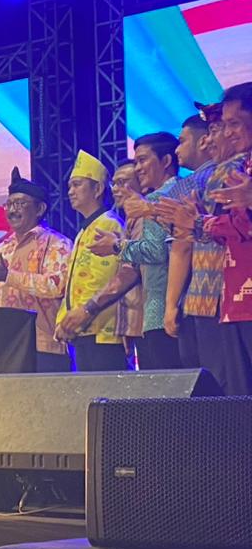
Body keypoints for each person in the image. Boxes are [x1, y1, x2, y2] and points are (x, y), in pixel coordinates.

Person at [159, 82, 252, 395]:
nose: (225, 134)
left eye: (232, 124)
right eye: (221, 126)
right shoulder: (243, 166)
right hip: (234, 297)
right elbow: (235, 227)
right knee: (235, 398)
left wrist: (196, 222)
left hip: (231, 297)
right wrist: (196, 222)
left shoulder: (230, 170)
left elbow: (239, 226)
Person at [86, 133, 182, 369]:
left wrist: (116, 245)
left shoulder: (158, 198)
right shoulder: (175, 191)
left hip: (160, 310)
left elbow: (155, 252)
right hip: (164, 310)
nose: (139, 168)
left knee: (165, 385)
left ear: (166, 161)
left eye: (142, 160)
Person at [0, 169, 74, 371]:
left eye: (19, 204)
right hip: (5, 344)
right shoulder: (3, 248)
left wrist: (7, 276)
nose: (12, 210)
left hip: (43, 344)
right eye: (8, 204)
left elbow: (56, 286)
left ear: (40, 208)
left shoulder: (57, 243)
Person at [156, 110, 221, 373]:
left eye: (182, 141)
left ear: (204, 140)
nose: (177, 148)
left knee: (207, 383)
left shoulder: (191, 184)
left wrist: (170, 304)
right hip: (224, 298)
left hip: (201, 297)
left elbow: (181, 247)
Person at [54, 152, 127, 371]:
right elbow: (72, 284)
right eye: (69, 186)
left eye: (77, 184)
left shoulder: (108, 224)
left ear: (97, 189)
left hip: (101, 329)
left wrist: (78, 316)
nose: (70, 191)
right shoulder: (84, 230)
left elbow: (102, 279)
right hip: (82, 329)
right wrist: (64, 319)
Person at [108, 161, 145, 357]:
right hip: (137, 321)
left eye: (122, 182)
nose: (116, 189)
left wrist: (89, 309)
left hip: (150, 318)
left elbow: (132, 270)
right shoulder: (129, 221)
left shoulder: (144, 218)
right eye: (114, 183)